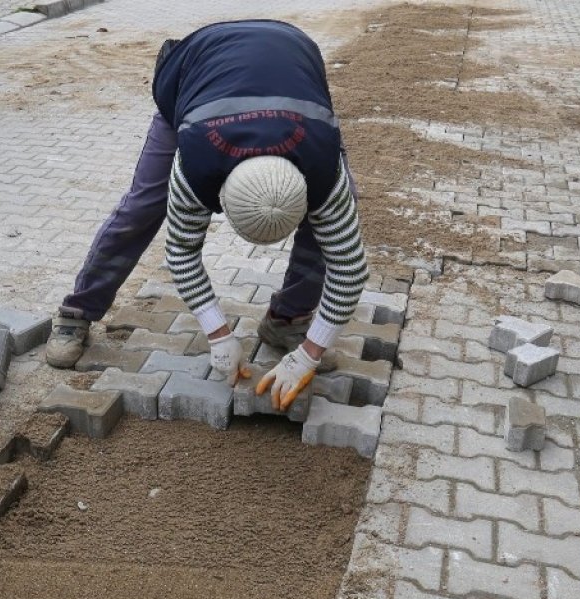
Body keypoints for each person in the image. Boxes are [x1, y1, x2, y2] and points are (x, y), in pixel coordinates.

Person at [45, 20, 367, 410]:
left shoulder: (322, 165)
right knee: (144, 204)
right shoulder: (195, 162)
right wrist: (217, 333)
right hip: (194, 78)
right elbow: (182, 251)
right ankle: (77, 311)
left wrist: (309, 354)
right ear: (220, 198)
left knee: (327, 231)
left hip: (294, 78)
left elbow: (349, 268)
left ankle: (288, 319)